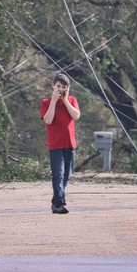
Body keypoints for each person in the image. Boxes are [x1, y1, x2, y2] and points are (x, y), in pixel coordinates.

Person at [40, 72, 80, 214]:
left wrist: (65, 100)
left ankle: (55, 201)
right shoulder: (46, 102)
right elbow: (48, 120)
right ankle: (60, 204)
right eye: (58, 86)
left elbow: (76, 116)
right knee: (59, 174)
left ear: (67, 88)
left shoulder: (72, 100)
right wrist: (54, 101)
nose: (61, 89)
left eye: (64, 87)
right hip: (55, 145)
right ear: (53, 86)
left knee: (66, 176)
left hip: (70, 145)